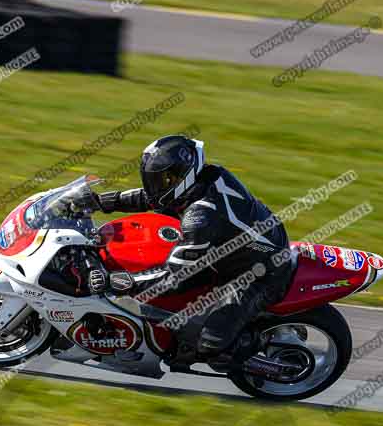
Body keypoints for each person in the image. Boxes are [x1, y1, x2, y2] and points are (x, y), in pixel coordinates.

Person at [89, 135, 294, 369]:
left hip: (260, 273)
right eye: (153, 179)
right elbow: (153, 198)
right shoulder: (203, 178)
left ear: (183, 176)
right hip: (227, 253)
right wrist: (101, 202)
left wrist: (127, 281)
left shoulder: (201, 218)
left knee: (210, 344)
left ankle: (259, 355)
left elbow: (175, 277)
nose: (157, 185)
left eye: (164, 179)